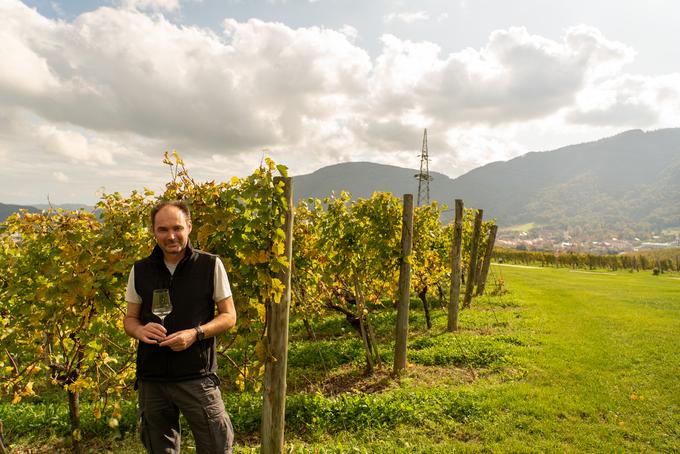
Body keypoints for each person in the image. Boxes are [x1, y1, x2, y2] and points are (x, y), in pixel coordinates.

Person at [123, 200, 237, 453]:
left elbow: (229, 316)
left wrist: (195, 334)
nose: (171, 236)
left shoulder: (210, 265)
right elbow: (130, 320)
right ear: (153, 231)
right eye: (162, 229)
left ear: (189, 227)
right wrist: (140, 330)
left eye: (177, 228)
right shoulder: (140, 270)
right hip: (152, 380)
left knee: (216, 446)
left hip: (197, 376)